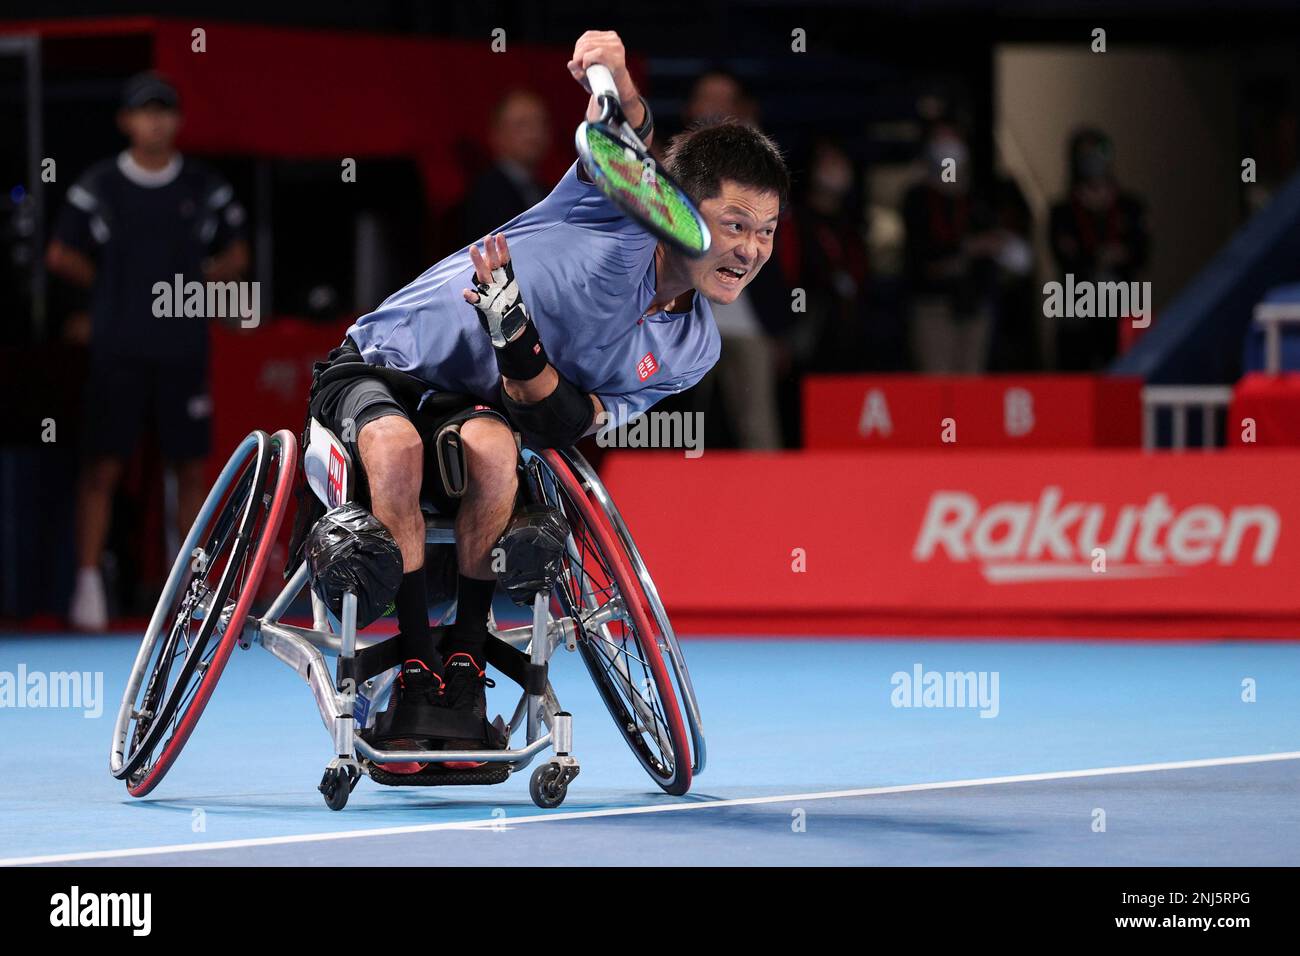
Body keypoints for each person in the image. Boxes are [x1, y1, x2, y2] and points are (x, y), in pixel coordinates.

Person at [296, 31, 789, 770]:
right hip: (384, 362)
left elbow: (560, 422)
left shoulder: (694, 349)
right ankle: (414, 666)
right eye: (735, 225)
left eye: (768, 232)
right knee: (394, 447)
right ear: (677, 209)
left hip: (473, 402)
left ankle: (460, 671)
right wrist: (618, 72)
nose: (751, 249)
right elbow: (622, 139)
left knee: (499, 449)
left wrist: (514, 329)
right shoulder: (613, 214)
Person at [47, 71, 249, 631]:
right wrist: (114, 294)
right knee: (102, 467)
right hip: (118, 351)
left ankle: (190, 592)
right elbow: (61, 254)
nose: (156, 121)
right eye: (145, 111)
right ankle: (87, 586)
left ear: (177, 121)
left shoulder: (203, 186)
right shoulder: (100, 185)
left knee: (188, 469)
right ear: (126, 122)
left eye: (166, 111)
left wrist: (202, 279)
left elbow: (236, 254)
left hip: (183, 348)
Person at [901, 119, 1001, 373]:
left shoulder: (978, 196)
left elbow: (994, 243)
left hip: (975, 302)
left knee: (971, 386)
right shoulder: (917, 198)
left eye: (952, 139)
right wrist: (967, 249)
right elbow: (923, 255)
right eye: (940, 140)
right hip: (932, 305)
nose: (949, 148)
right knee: (937, 385)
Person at [1048, 127, 1149, 370]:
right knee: (1076, 372)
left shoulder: (1130, 206)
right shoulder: (1063, 211)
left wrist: (1118, 250)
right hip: (1078, 306)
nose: (1093, 161)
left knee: (1123, 373)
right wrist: (1100, 252)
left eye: (1100, 152)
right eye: (1085, 155)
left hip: (1122, 304)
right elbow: (1067, 258)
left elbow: (1141, 253)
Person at [461, 90, 553, 246]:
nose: (534, 134)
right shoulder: (486, 194)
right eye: (522, 125)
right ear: (497, 133)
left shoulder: (547, 190)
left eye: (540, 123)